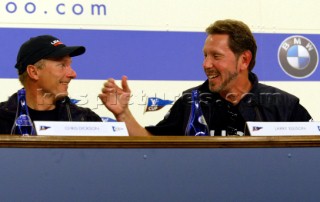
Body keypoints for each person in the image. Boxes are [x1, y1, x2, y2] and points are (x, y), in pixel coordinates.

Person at [99, 19, 312, 136]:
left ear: (244, 60)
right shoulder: (190, 103)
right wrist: (123, 113)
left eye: (216, 56)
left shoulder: (284, 105)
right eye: (205, 56)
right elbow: (150, 146)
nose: (206, 64)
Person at [0, 35, 102, 134]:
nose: (73, 74)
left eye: (69, 65)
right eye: (62, 65)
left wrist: (119, 116)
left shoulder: (86, 119)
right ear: (34, 72)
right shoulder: (2, 119)